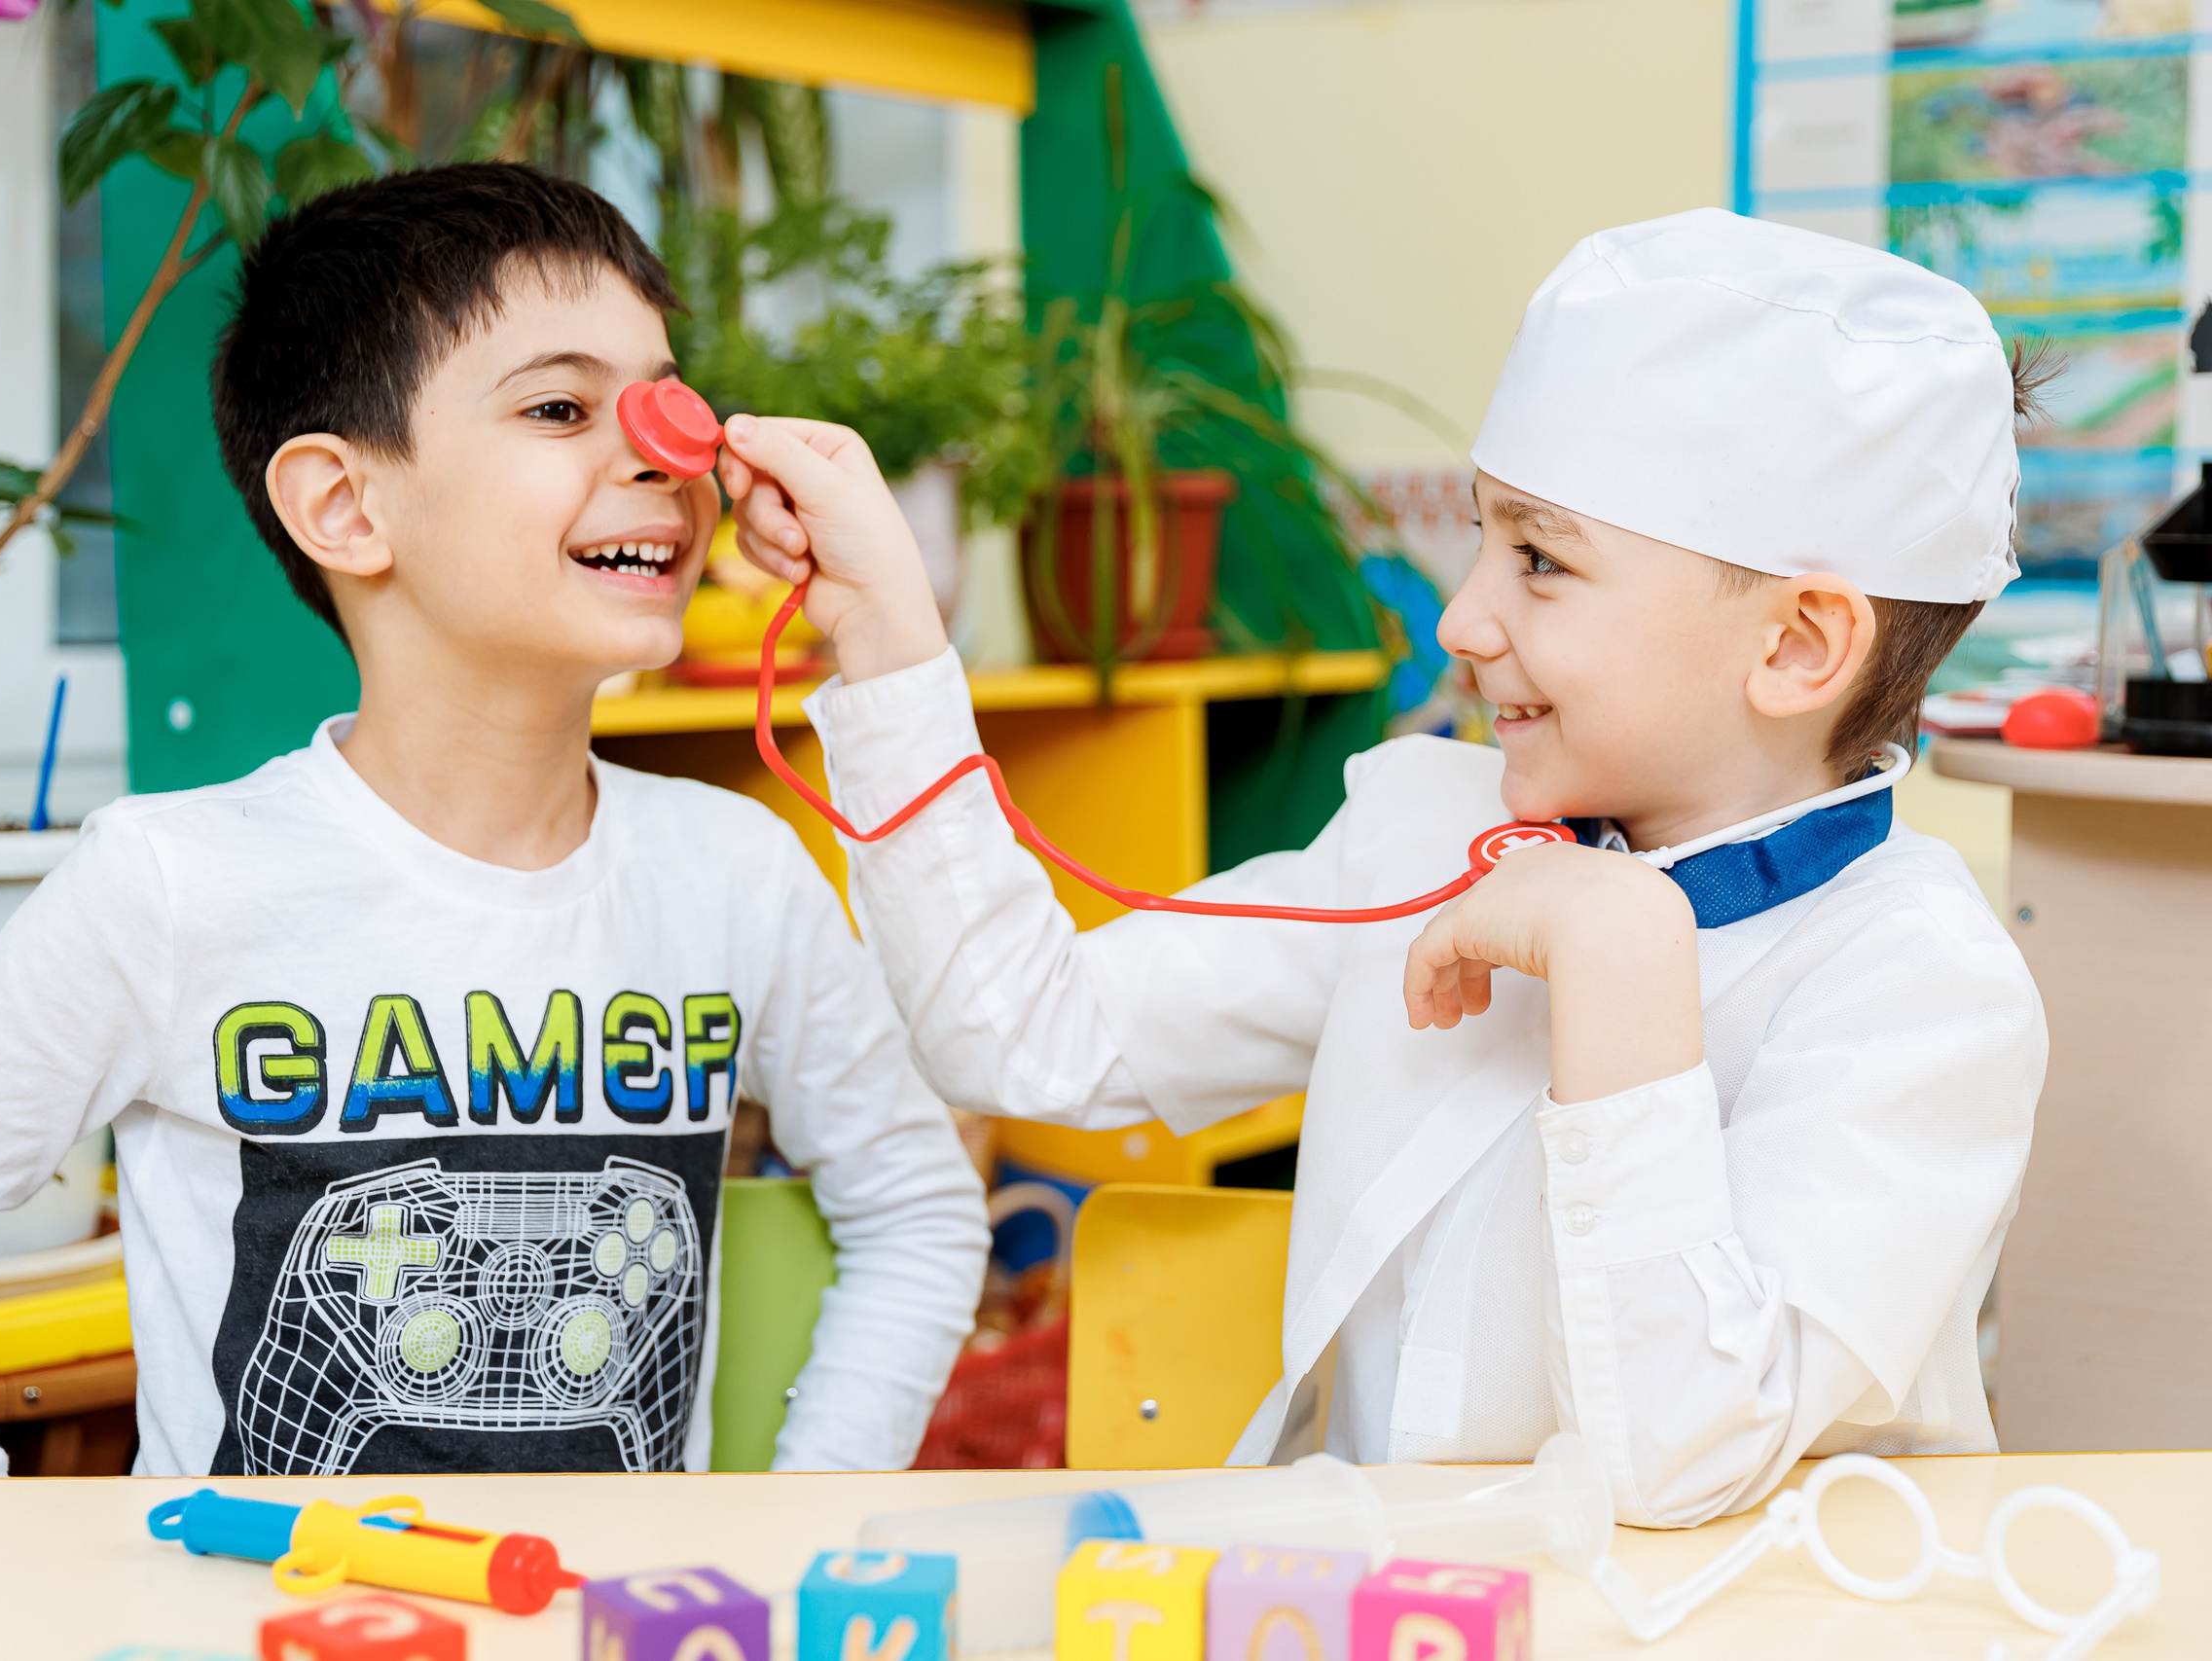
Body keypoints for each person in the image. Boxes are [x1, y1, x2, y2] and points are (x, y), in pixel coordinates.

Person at [716, 208, 2047, 1527]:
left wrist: (1619, 958)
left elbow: (1676, 1467)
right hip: (1382, 1598)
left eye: (1541, 561)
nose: (1463, 617)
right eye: (1483, 540)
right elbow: (1015, 1033)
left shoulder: (1922, 993)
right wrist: (888, 637)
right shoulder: (1424, 833)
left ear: (1800, 646)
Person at [0, 163, 989, 1479]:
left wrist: (806, 1510)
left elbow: (917, 1206)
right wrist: (6, 1564)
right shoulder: (169, 882)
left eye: (665, 397)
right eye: (562, 406)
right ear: (345, 508)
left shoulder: (736, 872)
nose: (665, 453)